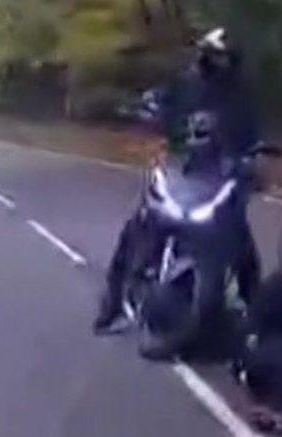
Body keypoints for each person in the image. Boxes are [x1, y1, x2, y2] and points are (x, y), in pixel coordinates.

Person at [93, 27, 261, 335]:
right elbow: (159, 104)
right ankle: (111, 306)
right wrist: (148, 111)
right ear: (205, 56)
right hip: (180, 171)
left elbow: (254, 135)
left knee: (242, 244)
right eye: (216, 57)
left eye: (227, 59)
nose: (220, 64)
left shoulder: (241, 95)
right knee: (134, 231)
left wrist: (253, 161)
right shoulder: (185, 85)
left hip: (219, 179)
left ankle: (257, 321)